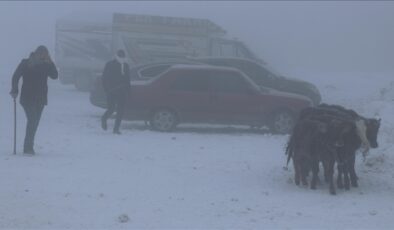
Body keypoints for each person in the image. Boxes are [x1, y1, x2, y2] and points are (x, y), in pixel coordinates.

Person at [10, 46, 58, 154]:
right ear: (36, 53)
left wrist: (50, 63)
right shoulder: (26, 63)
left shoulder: (46, 65)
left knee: (35, 123)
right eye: (41, 54)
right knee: (32, 121)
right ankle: (28, 148)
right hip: (27, 98)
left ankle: (29, 146)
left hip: (40, 98)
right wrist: (14, 89)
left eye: (45, 54)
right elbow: (16, 76)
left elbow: (55, 76)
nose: (43, 56)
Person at [101, 49, 131, 134]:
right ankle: (104, 118)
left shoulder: (126, 66)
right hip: (112, 91)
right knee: (111, 109)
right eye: (120, 56)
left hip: (122, 91)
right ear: (117, 56)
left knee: (120, 111)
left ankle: (116, 129)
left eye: (123, 57)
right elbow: (104, 78)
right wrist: (106, 89)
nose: (122, 58)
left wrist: (129, 91)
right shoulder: (110, 64)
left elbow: (128, 79)